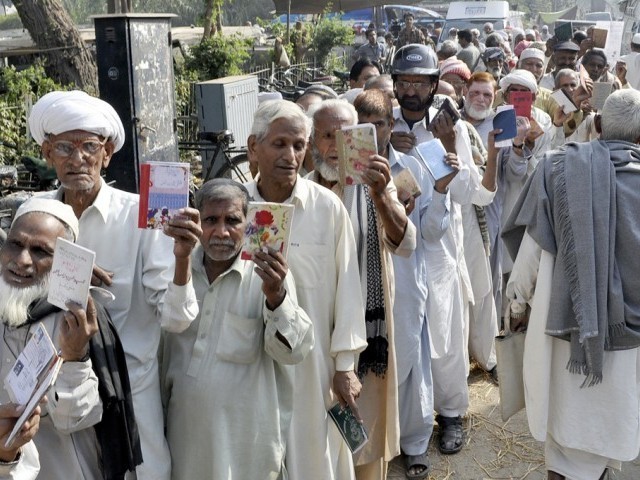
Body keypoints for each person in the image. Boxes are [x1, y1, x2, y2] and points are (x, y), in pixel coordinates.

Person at [29, 90, 200, 480]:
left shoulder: (142, 216)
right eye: (64, 148)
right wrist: (58, 271)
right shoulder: (34, 216)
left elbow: (175, 320)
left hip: (128, 395)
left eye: (89, 146)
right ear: (46, 153)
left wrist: (182, 258)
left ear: (107, 153)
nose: (78, 159)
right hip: (56, 393)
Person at [503, 88, 640, 480]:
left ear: (596, 125)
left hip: (561, 328)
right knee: (608, 424)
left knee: (564, 438)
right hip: (627, 342)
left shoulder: (557, 169)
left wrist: (517, 304)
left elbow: (530, 251)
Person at [245, 100, 367, 480]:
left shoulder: (327, 208)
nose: (291, 155)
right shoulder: (233, 209)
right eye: (279, 144)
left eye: (299, 145)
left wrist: (345, 365)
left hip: (313, 367)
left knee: (315, 457)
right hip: (250, 361)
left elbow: (348, 289)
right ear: (253, 147)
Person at [162, 179, 314, 479]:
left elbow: (294, 352)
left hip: (247, 448)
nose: (221, 232)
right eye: (211, 220)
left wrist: (276, 296)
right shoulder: (178, 267)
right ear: (197, 221)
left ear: (249, 224)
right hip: (183, 439)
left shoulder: (267, 274)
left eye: (232, 220)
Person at [307, 97, 416, 479]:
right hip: (313, 340)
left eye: (345, 136)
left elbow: (405, 242)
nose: (336, 146)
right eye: (326, 136)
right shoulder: (299, 193)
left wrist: (381, 195)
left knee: (364, 439)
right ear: (311, 142)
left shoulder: (375, 190)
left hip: (367, 345)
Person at [0, 197, 137, 479]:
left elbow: (74, 418)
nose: (22, 260)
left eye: (40, 251)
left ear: (63, 259)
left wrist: (75, 355)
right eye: (15, 244)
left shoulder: (75, 319)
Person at [390, 44, 482, 456]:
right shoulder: (383, 124)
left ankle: (451, 416)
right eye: (403, 82)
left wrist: (447, 146)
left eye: (419, 83)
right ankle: (409, 427)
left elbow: (468, 194)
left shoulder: (452, 126)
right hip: (397, 248)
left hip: (440, 249)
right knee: (408, 338)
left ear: (433, 85)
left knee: (445, 335)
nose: (411, 91)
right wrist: (386, 146)